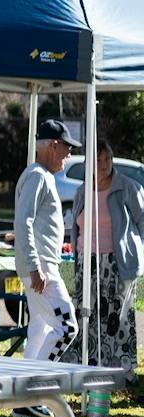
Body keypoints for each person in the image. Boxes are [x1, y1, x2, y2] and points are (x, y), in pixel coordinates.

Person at [13, 118, 83, 417]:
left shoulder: (39, 176)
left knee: (40, 330)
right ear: (52, 146)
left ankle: (22, 400)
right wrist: (33, 266)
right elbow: (24, 221)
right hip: (40, 268)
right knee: (67, 327)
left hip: (40, 265)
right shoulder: (38, 176)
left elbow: (29, 221)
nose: (68, 157)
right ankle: (34, 393)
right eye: (66, 149)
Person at [70, 139, 144, 382]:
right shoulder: (82, 190)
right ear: (88, 164)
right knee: (87, 315)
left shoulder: (127, 187)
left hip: (117, 262)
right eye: (98, 160)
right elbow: (76, 225)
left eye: (107, 158)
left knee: (118, 317)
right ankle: (88, 364)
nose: (103, 164)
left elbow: (142, 221)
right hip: (86, 260)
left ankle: (123, 371)